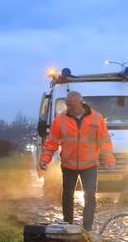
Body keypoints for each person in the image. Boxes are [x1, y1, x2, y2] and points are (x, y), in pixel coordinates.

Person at [39, 91, 116, 230]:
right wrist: (45, 159)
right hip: (68, 165)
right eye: (67, 105)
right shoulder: (60, 120)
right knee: (67, 196)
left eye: (72, 105)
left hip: (90, 165)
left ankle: (87, 228)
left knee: (90, 196)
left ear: (81, 103)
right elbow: (51, 142)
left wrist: (109, 158)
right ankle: (68, 226)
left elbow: (104, 141)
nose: (69, 108)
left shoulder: (96, 118)